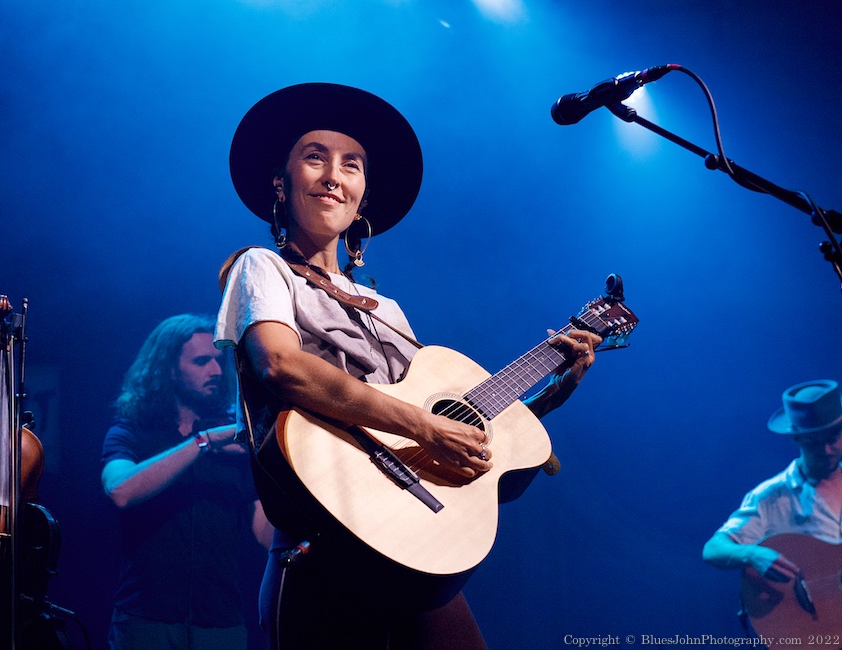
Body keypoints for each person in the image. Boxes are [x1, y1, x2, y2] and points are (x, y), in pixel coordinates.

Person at [215, 83, 602, 648]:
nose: (333, 175)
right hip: (323, 547)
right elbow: (282, 366)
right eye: (315, 156)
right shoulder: (262, 268)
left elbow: (454, 428)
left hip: (410, 541)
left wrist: (551, 393)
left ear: (362, 194)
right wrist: (423, 424)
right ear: (281, 181)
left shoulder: (387, 310)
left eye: (352, 165)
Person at [101, 314, 273, 650]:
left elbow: (265, 533)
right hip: (145, 621)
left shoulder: (237, 441)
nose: (216, 371)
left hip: (221, 622)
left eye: (217, 360)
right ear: (167, 369)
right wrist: (203, 442)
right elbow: (120, 490)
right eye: (201, 361)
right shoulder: (131, 433)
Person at [703, 379, 842, 582]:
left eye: (832, 440)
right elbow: (713, 549)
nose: (826, 450)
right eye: (813, 443)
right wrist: (752, 555)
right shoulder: (772, 496)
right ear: (796, 439)